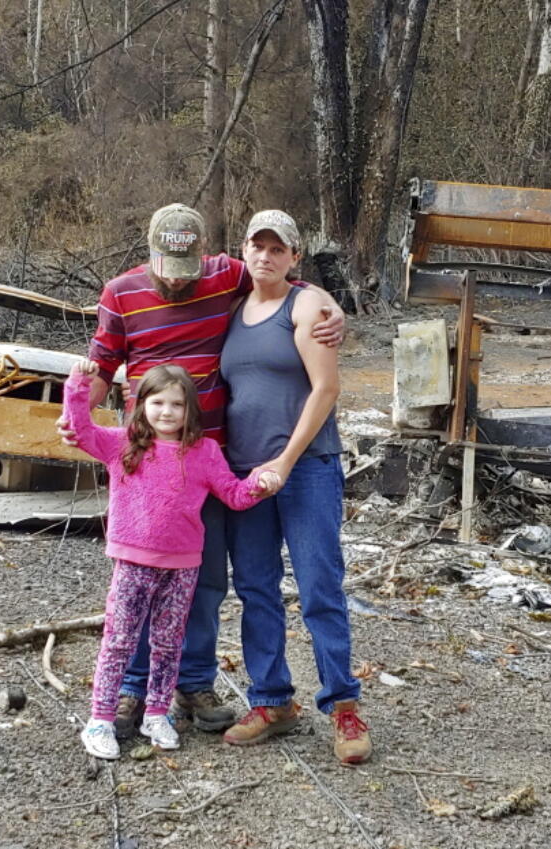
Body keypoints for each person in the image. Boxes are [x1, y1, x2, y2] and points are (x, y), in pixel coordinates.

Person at [56, 203, 343, 740]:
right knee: (138, 573)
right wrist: (78, 414)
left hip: (208, 453)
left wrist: (330, 312)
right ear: (150, 252)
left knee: (202, 577)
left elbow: (283, 280)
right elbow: (101, 361)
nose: (177, 280)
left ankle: (191, 680)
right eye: (168, 268)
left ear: (207, 256)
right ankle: (131, 688)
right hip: (144, 455)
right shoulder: (120, 293)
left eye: (188, 270)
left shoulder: (228, 274)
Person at [64, 360, 279, 759]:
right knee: (119, 641)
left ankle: (158, 713)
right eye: (158, 402)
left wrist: (259, 485)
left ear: (189, 410)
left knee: (168, 643)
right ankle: (100, 718)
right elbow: (78, 430)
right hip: (132, 562)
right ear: (141, 404)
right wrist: (79, 384)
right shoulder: (121, 444)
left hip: (182, 566)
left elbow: (233, 494)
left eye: (177, 404)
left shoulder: (205, 453)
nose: (167, 412)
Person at [218, 210, 371, 765]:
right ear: (243, 249)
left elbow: (326, 388)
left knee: (318, 587)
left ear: (294, 257)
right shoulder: (231, 309)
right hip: (245, 473)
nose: (264, 256)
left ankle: (344, 707)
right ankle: (272, 700)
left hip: (305, 469)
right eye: (256, 246)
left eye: (276, 248)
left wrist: (284, 460)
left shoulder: (306, 305)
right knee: (256, 587)